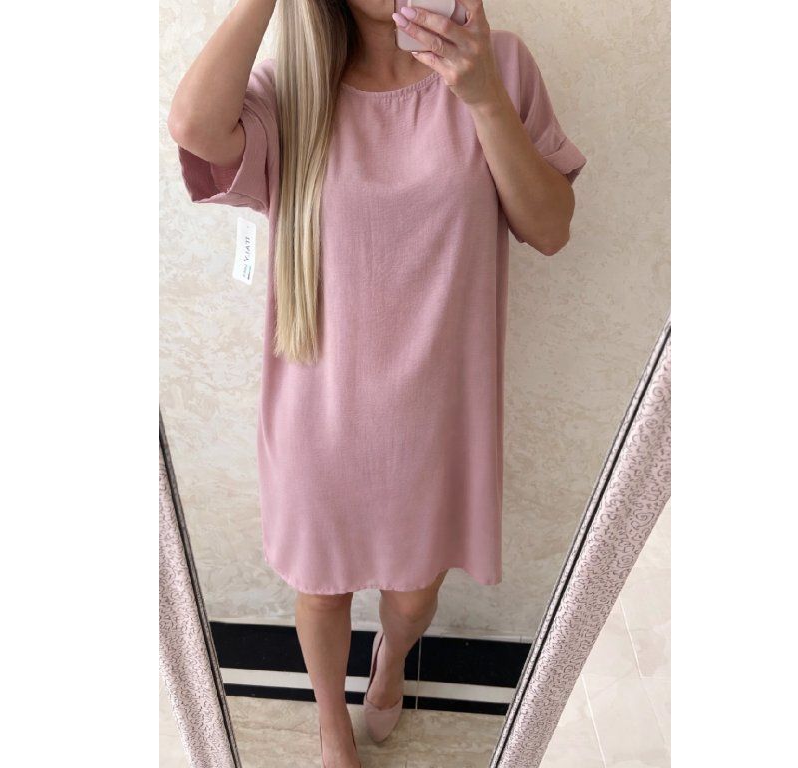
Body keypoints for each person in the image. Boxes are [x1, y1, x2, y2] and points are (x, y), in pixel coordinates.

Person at [167, 1, 586, 765]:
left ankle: (390, 659)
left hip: (436, 414)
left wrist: (484, 98)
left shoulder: (500, 64)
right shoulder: (293, 88)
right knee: (320, 588)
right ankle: (331, 724)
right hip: (318, 408)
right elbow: (194, 126)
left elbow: (551, 228)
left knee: (415, 592)